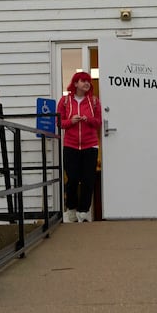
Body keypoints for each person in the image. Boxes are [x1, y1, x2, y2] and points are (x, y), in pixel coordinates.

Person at [57, 70, 101, 222]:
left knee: (89, 180)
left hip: (90, 146)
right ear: (75, 83)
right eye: (83, 81)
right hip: (71, 146)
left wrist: (88, 119)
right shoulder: (64, 101)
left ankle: (84, 212)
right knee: (73, 179)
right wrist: (71, 122)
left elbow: (98, 122)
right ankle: (71, 209)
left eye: (88, 81)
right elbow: (58, 122)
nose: (87, 83)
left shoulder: (94, 101)